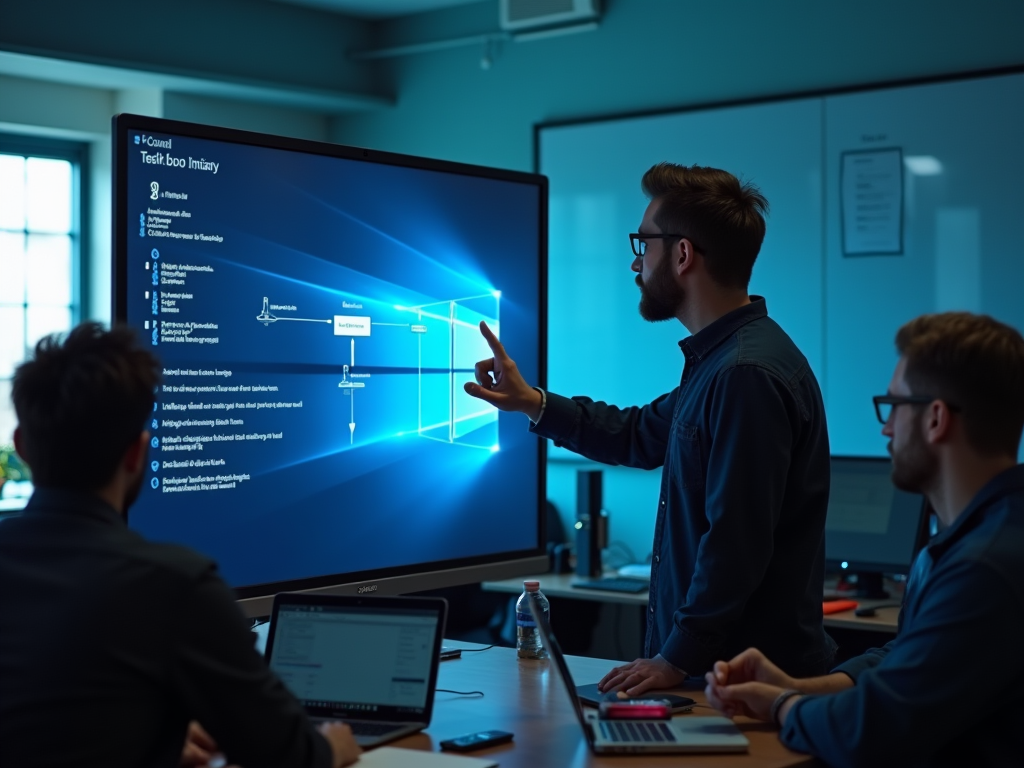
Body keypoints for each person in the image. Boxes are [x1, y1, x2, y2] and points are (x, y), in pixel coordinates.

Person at [465, 163, 835, 693]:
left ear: (682, 255)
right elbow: (638, 434)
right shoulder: (722, 363)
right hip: (716, 674)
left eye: (644, 244)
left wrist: (676, 658)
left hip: (742, 683)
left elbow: (736, 544)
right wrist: (532, 402)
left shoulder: (744, 374)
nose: (635, 263)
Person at [0, 323, 361, 768]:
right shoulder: (172, 584)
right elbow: (286, 753)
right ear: (137, 453)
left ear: (21, 446)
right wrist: (333, 747)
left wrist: (153, 733)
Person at [704, 312, 1024, 767]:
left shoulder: (985, 567)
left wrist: (782, 706)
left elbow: (869, 730)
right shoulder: (979, 537)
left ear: (935, 418)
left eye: (894, 405)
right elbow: (912, 658)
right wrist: (794, 687)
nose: (886, 428)